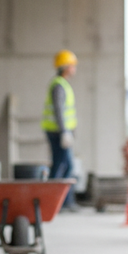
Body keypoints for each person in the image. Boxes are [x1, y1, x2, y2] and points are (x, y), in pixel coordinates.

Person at [41, 50, 78, 211]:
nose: (74, 68)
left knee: (61, 165)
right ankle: (58, 202)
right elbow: (58, 110)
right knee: (64, 166)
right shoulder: (59, 85)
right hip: (57, 133)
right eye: (72, 65)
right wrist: (64, 132)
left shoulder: (62, 84)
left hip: (59, 132)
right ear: (65, 67)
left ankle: (58, 202)